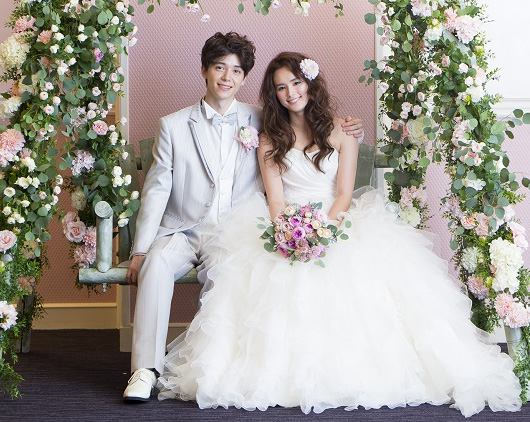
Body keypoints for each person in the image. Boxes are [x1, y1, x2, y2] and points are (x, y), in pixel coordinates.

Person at [157, 52, 522, 417]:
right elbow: (276, 199)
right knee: (269, 275)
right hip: (287, 222)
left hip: (336, 219)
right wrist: (290, 232)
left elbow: (344, 194)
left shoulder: (343, 132)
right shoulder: (269, 139)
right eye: (281, 88)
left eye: (296, 83)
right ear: (273, 94)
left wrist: (323, 231)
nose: (291, 93)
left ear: (310, 83)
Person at [123, 35, 363, 401]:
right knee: (155, 263)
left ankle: (214, 368)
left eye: (236, 70)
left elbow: (310, 121)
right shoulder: (173, 125)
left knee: (233, 274)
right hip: (183, 230)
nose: (227, 77)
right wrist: (140, 249)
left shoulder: (261, 118)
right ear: (204, 70)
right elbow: (157, 190)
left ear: (245, 77)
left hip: (232, 232)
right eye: (219, 68)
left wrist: (352, 126)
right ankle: (144, 370)